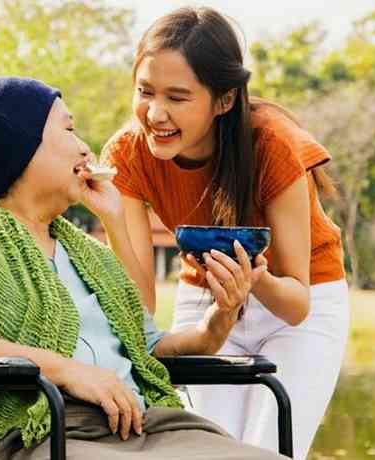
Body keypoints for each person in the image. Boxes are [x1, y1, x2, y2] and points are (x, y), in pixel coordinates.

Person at [0, 74, 287, 460]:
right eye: (68, 130)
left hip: (138, 429)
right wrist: (65, 370)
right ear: (16, 147)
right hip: (25, 438)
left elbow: (145, 348)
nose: (85, 149)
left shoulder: (84, 252)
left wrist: (217, 321)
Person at [100, 7, 349, 460]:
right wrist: (112, 215)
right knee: (200, 447)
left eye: (177, 97)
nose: (155, 113)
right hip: (205, 299)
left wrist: (253, 281)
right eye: (145, 91)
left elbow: (296, 304)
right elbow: (140, 310)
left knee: (268, 448)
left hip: (301, 301)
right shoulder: (128, 153)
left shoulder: (273, 143)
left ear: (224, 99)